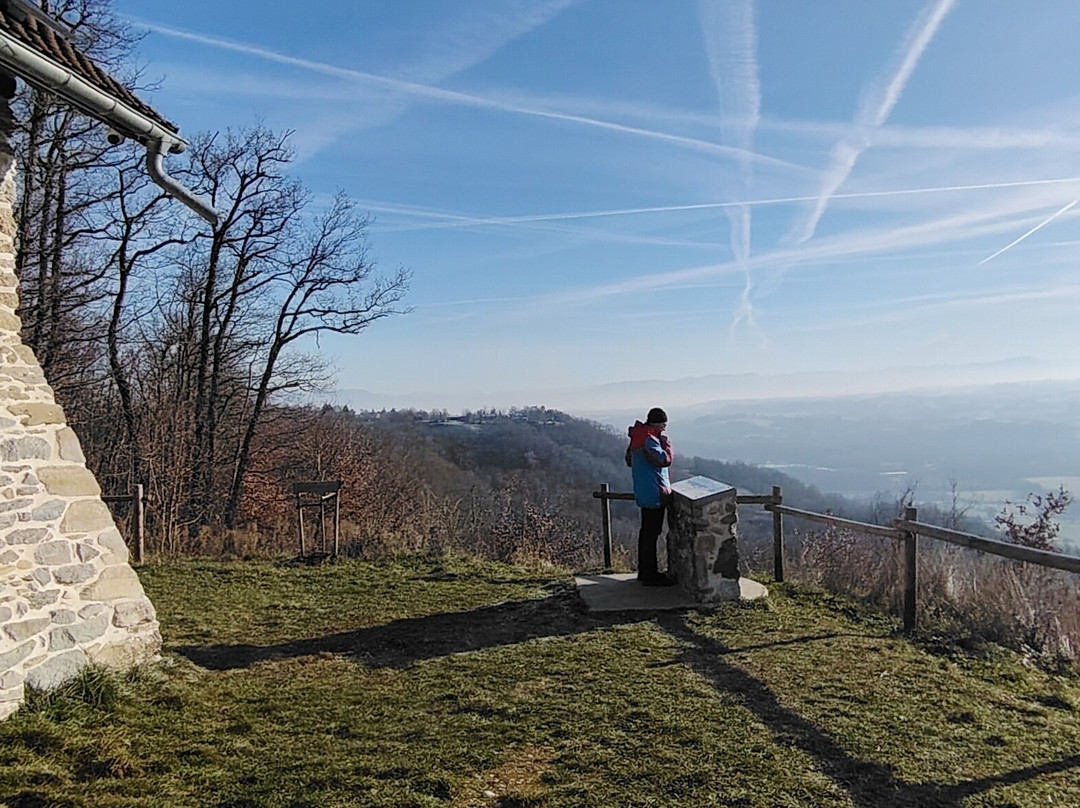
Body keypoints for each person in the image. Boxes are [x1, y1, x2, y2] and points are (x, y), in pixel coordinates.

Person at [625, 407, 675, 586]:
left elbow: (629, 460)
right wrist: (666, 444)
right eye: (663, 424)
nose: (664, 428)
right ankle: (650, 575)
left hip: (644, 490)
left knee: (646, 533)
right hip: (655, 492)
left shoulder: (637, 438)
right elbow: (664, 460)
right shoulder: (649, 439)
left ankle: (645, 571)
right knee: (651, 534)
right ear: (657, 423)